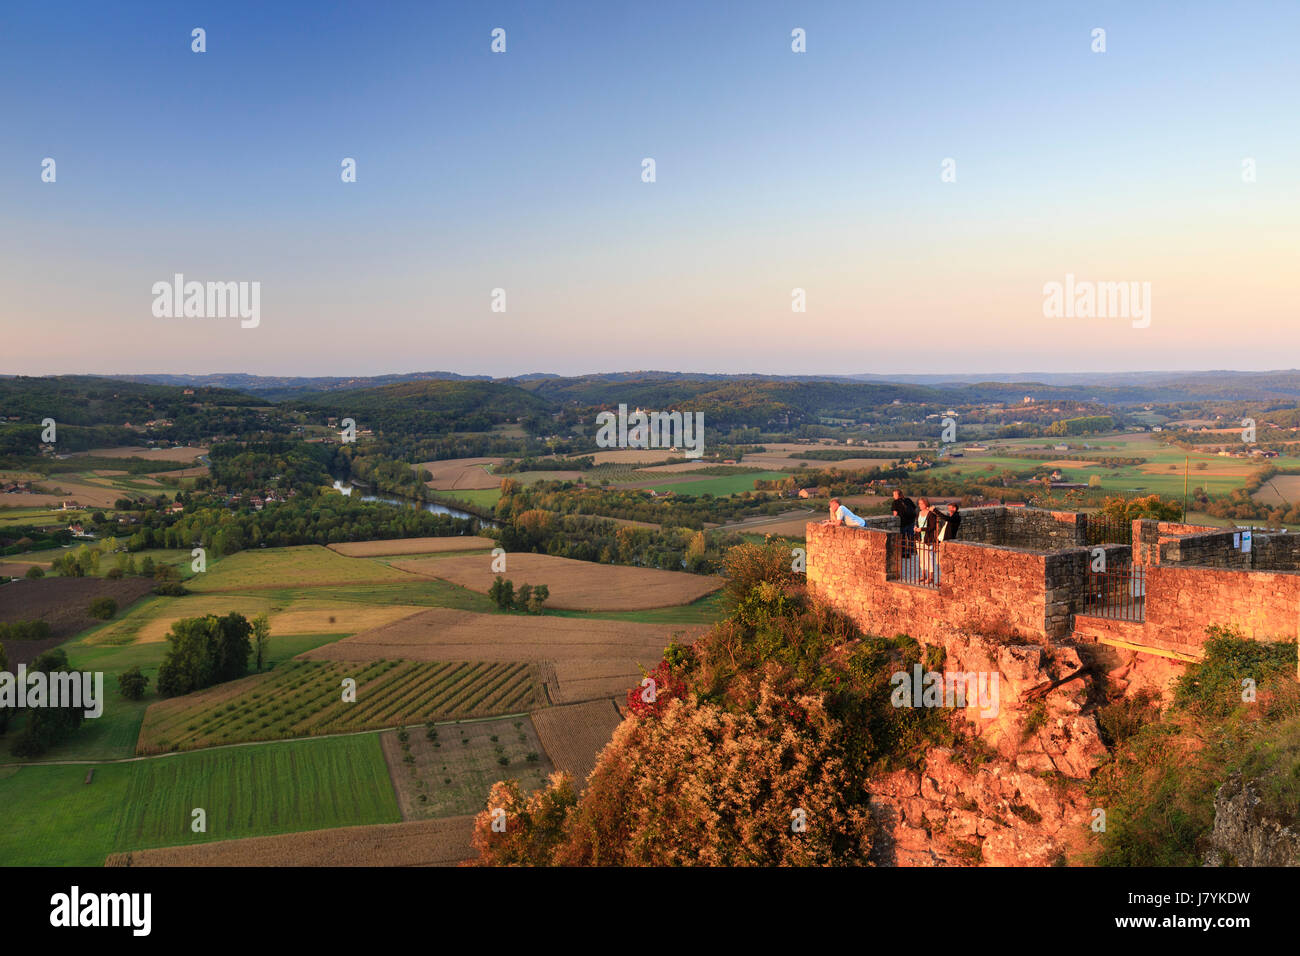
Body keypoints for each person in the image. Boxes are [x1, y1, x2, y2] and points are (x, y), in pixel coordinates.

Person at [914, 498, 939, 584]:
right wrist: (915, 527)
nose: (919, 505)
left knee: (929, 558)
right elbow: (916, 522)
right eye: (919, 504)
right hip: (919, 538)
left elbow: (932, 527)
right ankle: (923, 575)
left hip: (928, 539)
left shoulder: (931, 514)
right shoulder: (919, 513)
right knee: (921, 558)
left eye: (921, 504)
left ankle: (931, 577)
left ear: (926, 504)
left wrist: (922, 529)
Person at [892, 490, 917, 554]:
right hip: (911, 521)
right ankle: (911, 551)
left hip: (903, 522)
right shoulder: (908, 500)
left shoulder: (895, 502)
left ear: (898, 495)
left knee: (902, 537)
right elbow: (914, 508)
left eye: (894, 495)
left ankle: (903, 551)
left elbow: (895, 514)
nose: (893, 496)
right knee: (910, 537)